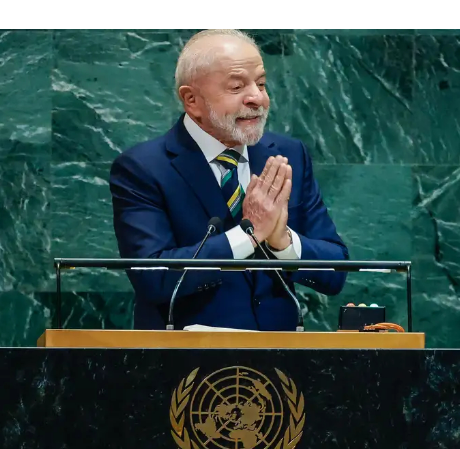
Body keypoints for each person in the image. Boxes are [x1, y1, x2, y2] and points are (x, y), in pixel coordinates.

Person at [109, 29, 349, 330]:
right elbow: (153, 278)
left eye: (261, 84)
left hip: (280, 353)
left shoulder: (288, 155)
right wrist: (249, 234)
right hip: (188, 354)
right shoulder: (143, 168)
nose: (257, 98)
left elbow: (336, 272)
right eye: (237, 87)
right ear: (192, 100)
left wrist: (283, 241)